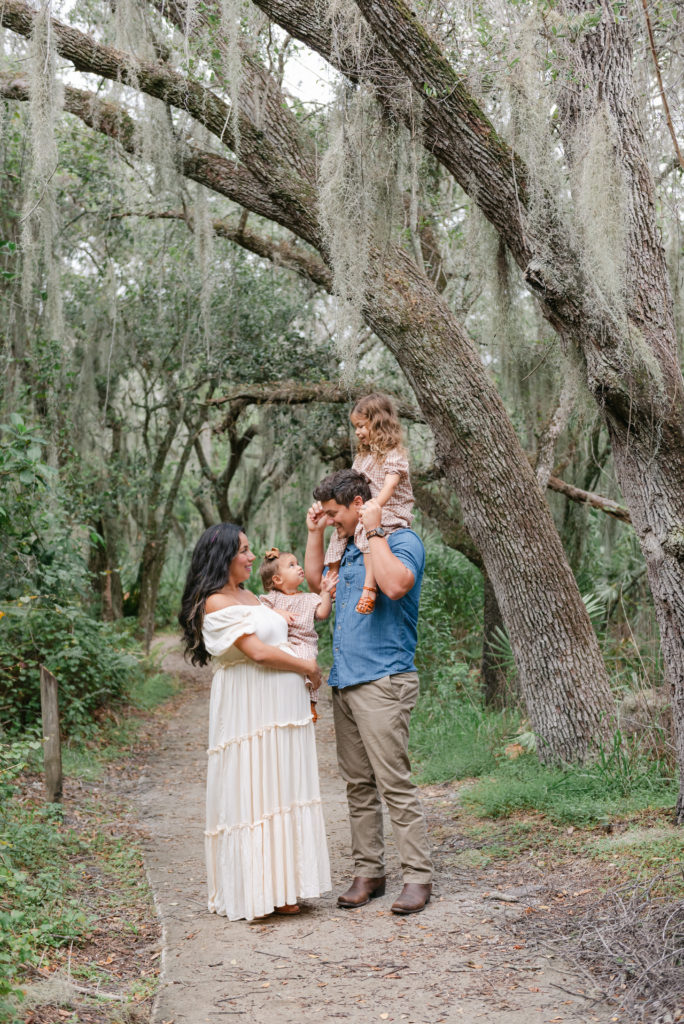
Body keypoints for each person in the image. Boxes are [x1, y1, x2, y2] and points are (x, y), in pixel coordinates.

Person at [178, 523, 331, 921]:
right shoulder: (214, 602)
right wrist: (307, 668)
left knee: (283, 788)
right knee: (256, 787)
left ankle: (287, 885)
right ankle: (260, 889)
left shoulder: (252, 595)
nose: (252, 557)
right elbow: (258, 653)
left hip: (282, 709)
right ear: (222, 557)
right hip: (250, 707)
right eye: (243, 551)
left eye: (249, 549)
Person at [305, 469, 433, 915]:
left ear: (360, 503)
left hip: (383, 680)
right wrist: (316, 533)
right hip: (346, 680)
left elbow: (396, 586)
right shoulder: (349, 549)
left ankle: (418, 877)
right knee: (358, 786)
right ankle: (369, 872)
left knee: (393, 784)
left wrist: (374, 527)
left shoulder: (401, 541)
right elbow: (314, 581)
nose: (331, 520)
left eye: (335, 513)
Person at [324, 392, 414, 615]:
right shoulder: (362, 457)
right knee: (339, 535)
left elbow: (390, 486)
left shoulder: (393, 454)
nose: (358, 432)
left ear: (379, 424)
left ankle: (369, 587)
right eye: (356, 427)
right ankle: (331, 581)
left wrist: (373, 508)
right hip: (367, 509)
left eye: (362, 426)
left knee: (365, 531)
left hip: (389, 510)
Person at [258, 547, 339, 722]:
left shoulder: (309, 598)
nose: (299, 567)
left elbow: (323, 613)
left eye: (297, 563)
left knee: (308, 662)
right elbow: (258, 610)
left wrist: (325, 593)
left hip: (303, 643)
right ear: (277, 579)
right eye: (292, 565)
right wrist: (278, 613)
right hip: (282, 642)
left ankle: (311, 702)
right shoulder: (273, 598)